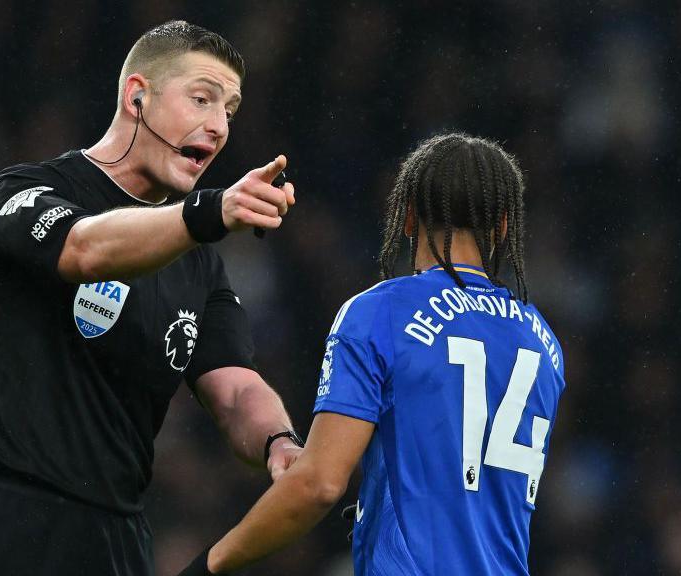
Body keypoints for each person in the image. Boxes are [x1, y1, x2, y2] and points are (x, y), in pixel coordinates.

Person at [0, 20, 305, 576]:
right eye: (202, 98)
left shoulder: (198, 262)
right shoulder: (24, 193)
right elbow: (84, 250)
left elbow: (235, 385)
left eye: (230, 110)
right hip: (3, 521)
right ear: (137, 97)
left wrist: (279, 441)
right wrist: (209, 214)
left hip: (116, 539)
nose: (219, 126)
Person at [177, 133, 566, 575]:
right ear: (501, 226)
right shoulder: (542, 340)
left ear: (408, 217)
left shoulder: (380, 313)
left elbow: (320, 483)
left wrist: (211, 563)